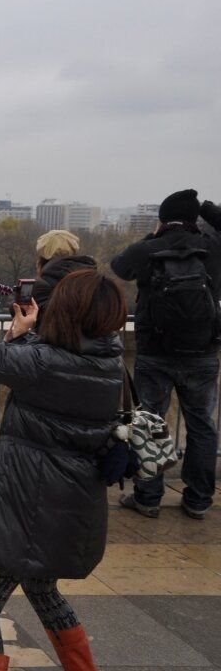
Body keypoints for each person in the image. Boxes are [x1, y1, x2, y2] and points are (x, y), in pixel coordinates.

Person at [0, 269, 127, 671]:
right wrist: (24, 335)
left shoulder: (45, 363)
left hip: (27, 502)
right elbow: (51, 378)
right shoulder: (109, 362)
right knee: (43, 590)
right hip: (70, 501)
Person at [111, 189, 221, 520]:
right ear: (194, 219)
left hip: (155, 352)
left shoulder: (150, 248)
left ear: (162, 220)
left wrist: (152, 237)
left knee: (148, 424)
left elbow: (120, 266)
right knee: (202, 426)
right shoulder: (212, 248)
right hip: (202, 352)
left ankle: (148, 496)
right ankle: (199, 499)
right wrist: (208, 211)